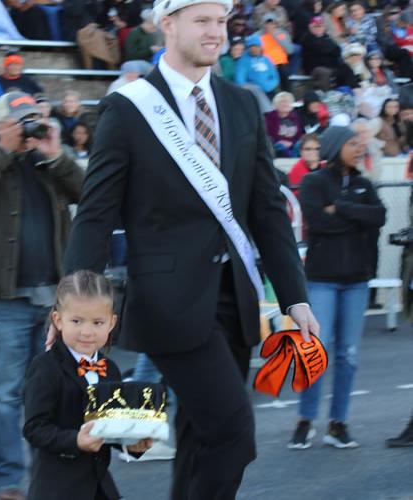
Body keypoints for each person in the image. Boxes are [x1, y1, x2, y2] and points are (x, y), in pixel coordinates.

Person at [60, 0, 318, 498]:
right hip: (168, 302)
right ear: (167, 24)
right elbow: (95, 214)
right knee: (233, 433)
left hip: (235, 299)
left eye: (221, 21)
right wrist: (76, 309)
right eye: (202, 20)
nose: (215, 32)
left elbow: (266, 208)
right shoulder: (129, 107)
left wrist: (295, 297)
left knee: (202, 438)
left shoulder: (243, 103)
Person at [0, 91, 84, 500]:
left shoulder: (48, 163)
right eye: (20, 120)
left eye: (32, 119)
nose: (28, 127)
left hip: (52, 301)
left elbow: (86, 191)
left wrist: (56, 152)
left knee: (49, 392)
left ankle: (47, 475)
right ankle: (8, 481)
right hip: (4, 300)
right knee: (4, 393)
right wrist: (4, 150)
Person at [289, 126, 386, 450]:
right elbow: (318, 222)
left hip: (357, 280)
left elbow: (380, 216)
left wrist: (342, 207)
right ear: (334, 147)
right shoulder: (315, 182)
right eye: (352, 143)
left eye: (360, 143)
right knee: (317, 350)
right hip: (322, 280)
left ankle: (338, 423)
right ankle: (305, 420)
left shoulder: (363, 183)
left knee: (348, 355)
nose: (360, 147)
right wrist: (356, 215)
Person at [23, 270, 152, 500]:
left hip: (100, 488)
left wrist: (132, 445)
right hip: (56, 491)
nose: (87, 331)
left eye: (97, 322)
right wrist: (75, 441)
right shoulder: (45, 367)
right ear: (58, 320)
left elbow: (111, 428)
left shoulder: (110, 369)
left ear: (111, 323)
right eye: (76, 321)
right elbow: (34, 428)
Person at [265, 91, 303, 157]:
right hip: (278, 146)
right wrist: (280, 142)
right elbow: (269, 135)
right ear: (276, 105)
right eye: (282, 102)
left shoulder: (295, 117)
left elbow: (299, 135)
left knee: (300, 144)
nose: (285, 104)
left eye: (288, 102)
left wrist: (291, 143)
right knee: (280, 146)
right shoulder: (270, 117)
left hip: (293, 146)